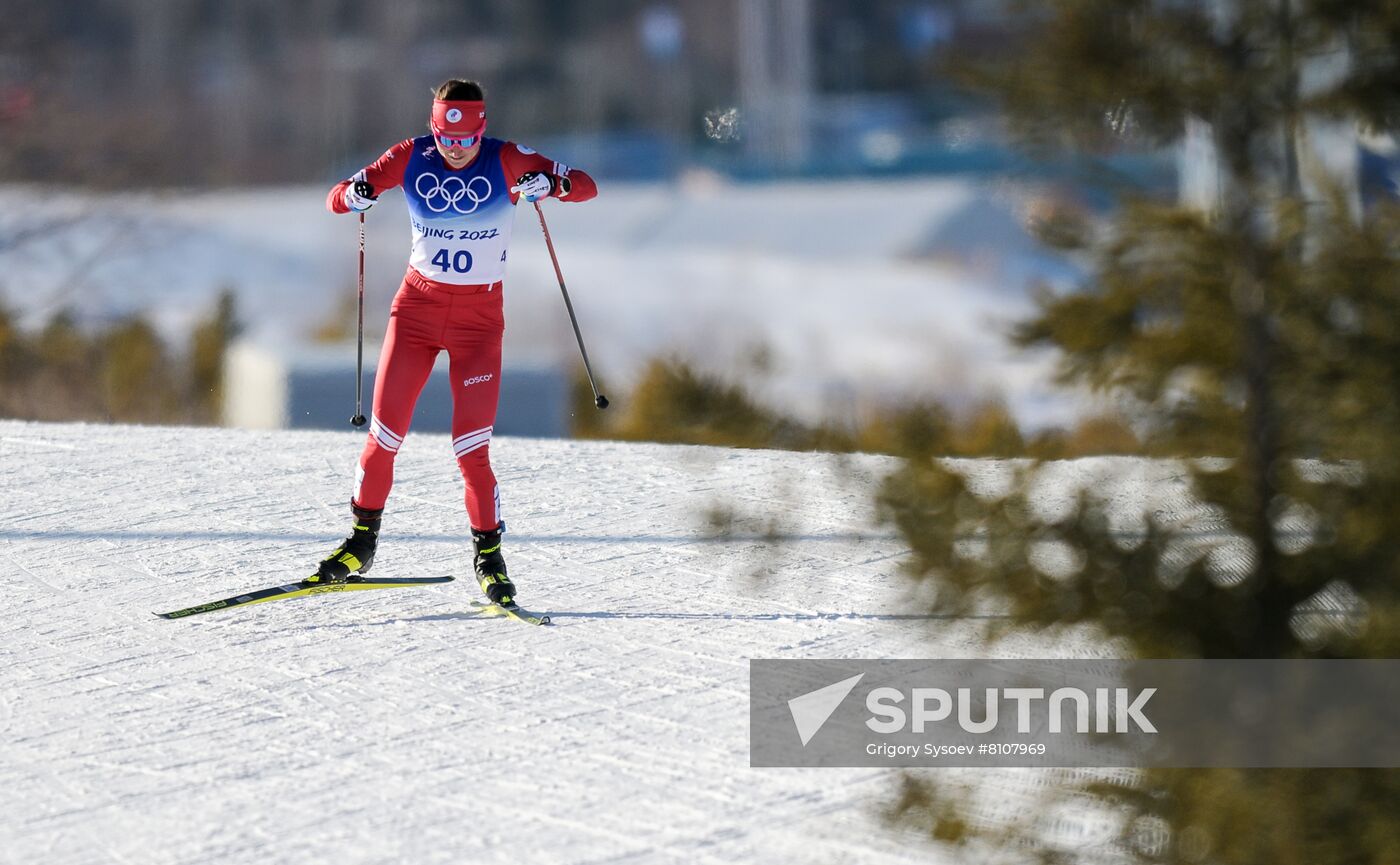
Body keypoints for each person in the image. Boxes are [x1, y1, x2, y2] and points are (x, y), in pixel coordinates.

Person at [310, 78, 598, 608]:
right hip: (416, 313)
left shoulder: (509, 159)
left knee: (471, 450)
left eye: (466, 140)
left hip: (478, 326)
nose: (456, 149)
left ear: (481, 130)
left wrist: (552, 187)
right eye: (445, 138)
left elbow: (586, 185)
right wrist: (354, 195)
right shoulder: (409, 157)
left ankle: (489, 559)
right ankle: (360, 542)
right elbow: (337, 199)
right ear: (433, 129)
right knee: (384, 437)